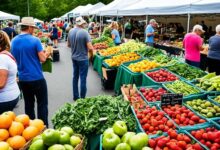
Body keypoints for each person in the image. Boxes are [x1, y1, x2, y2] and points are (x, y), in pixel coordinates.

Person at [11, 17, 50, 126]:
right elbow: (42, 59)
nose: (34, 30)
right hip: (36, 77)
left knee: (28, 105)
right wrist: (47, 53)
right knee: (42, 104)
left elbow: (14, 59)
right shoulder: (35, 40)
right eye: (33, 27)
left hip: (22, 78)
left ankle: (31, 129)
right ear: (28, 27)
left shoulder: (14, 41)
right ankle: (43, 127)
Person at [67, 17, 94, 101]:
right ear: (82, 24)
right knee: (83, 78)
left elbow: (68, 45)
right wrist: (92, 55)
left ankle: (75, 96)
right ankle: (82, 98)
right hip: (83, 58)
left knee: (75, 77)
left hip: (74, 57)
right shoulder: (84, 32)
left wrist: (76, 46)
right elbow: (90, 47)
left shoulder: (70, 31)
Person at [0, 31, 20, 114]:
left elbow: (1, 84)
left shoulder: (2, 58)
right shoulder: (6, 55)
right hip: (11, 95)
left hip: (4, 99)